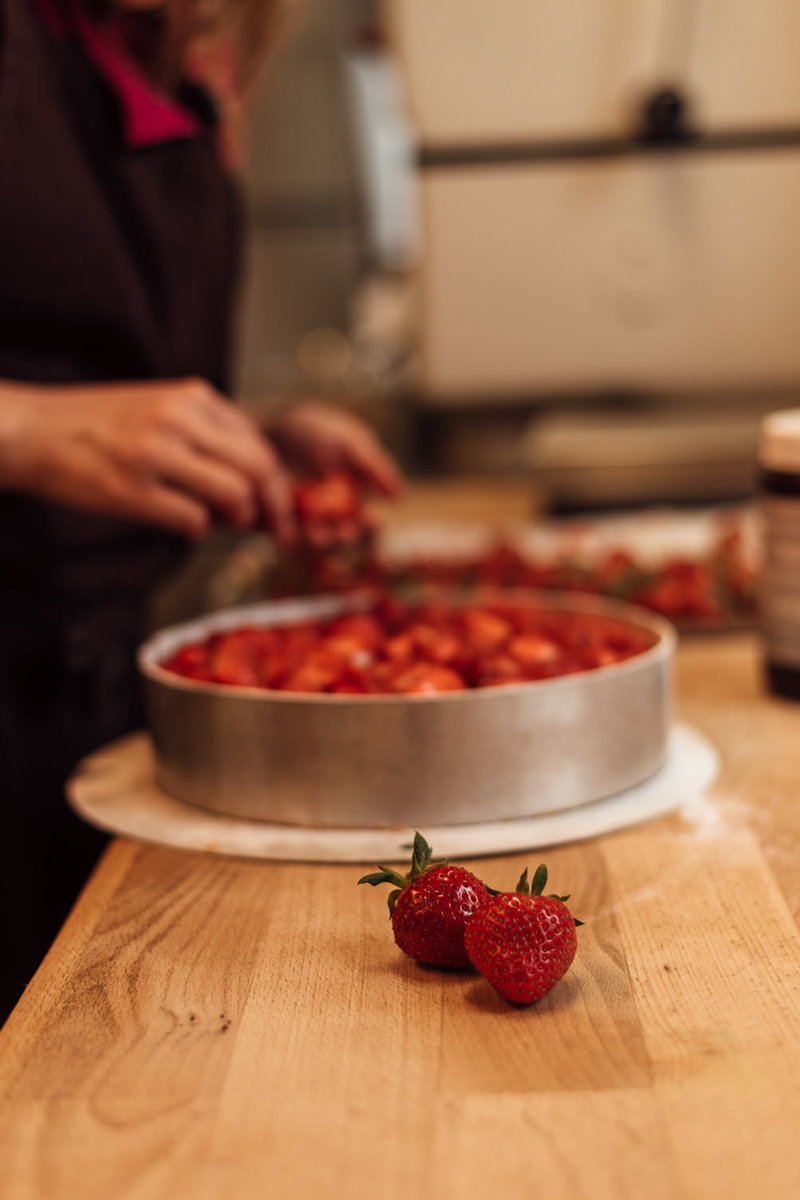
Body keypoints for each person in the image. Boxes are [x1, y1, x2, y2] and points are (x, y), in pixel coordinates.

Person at [0, 0, 402, 1022]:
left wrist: (239, 440)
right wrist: (28, 430)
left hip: (92, 708)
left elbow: (88, 362)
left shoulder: (160, 68)